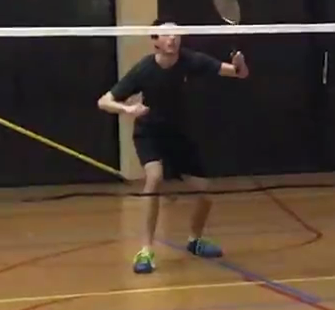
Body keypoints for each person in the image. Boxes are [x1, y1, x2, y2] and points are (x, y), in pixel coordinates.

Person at [98, 19, 249, 274]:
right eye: (166, 35)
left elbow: (239, 73)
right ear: (155, 41)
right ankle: (145, 250)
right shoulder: (144, 70)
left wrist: (240, 63)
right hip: (150, 133)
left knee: (205, 192)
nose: (172, 39)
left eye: (176, 34)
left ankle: (195, 241)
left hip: (179, 135)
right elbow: (104, 101)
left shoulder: (191, 60)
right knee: (154, 178)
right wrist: (128, 109)